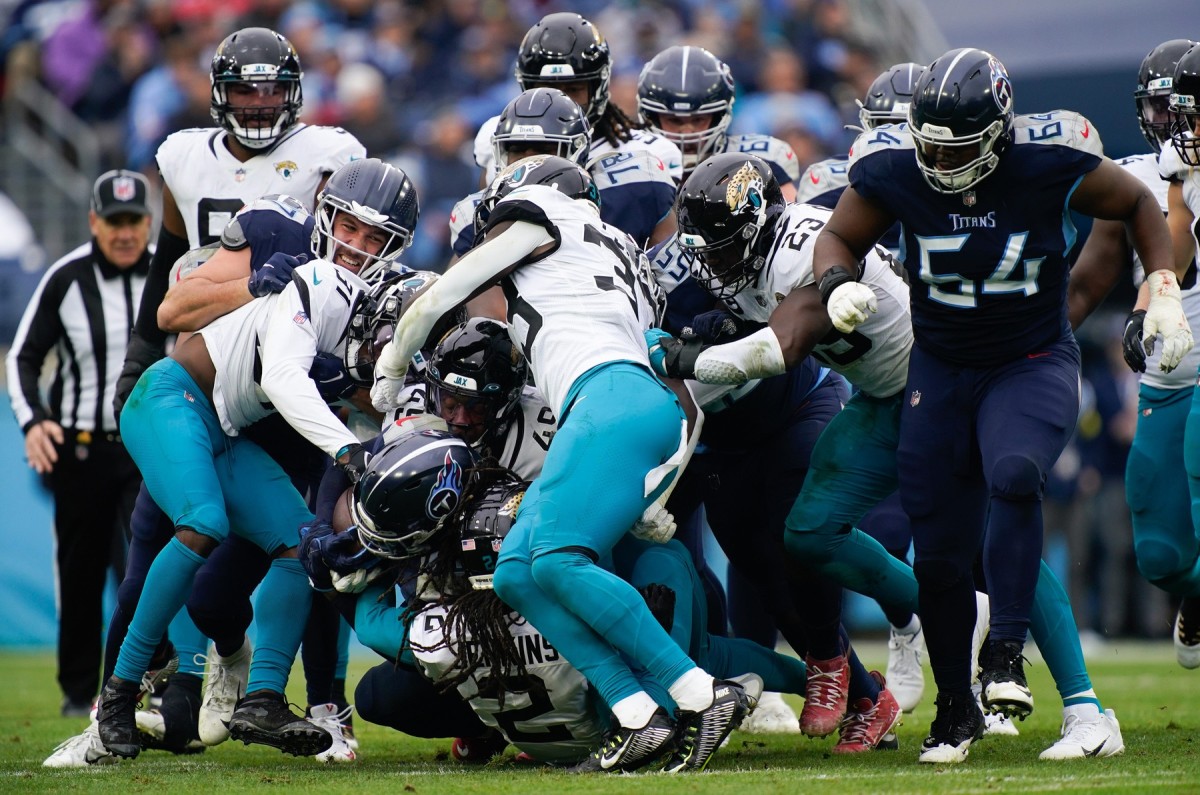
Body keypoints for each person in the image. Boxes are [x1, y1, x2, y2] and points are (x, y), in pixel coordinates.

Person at [648, 152, 1126, 762]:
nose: (711, 264)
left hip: (949, 386)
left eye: (720, 247)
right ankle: (945, 612)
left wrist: (676, 358)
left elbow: (778, 349)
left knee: (996, 540)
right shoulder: (748, 261)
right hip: (884, 398)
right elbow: (731, 370)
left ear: (755, 224)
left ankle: (1086, 707)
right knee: (810, 531)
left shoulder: (799, 249)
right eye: (703, 250)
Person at [809, 47, 1186, 760]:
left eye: (957, 147)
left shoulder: (1048, 161)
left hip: (1029, 360)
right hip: (941, 368)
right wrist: (835, 282)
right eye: (930, 146)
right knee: (939, 554)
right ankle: (956, 709)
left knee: (1015, 472)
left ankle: (1006, 651)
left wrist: (1161, 282)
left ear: (998, 132)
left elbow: (1139, 202)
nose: (939, 162)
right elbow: (839, 236)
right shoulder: (894, 171)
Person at [371, 155, 753, 773]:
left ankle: (701, 694)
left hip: (606, 398)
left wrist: (392, 367)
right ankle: (637, 715)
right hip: (626, 404)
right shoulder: (623, 253)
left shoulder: (543, 214)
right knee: (518, 574)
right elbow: (666, 377)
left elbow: (441, 296)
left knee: (555, 559)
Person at [92, 197, 406, 761]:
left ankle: (262, 698)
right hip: (171, 396)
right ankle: (118, 693)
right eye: (351, 230)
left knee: (301, 544)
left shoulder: (362, 307)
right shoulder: (320, 282)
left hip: (226, 427)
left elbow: (378, 397)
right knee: (202, 523)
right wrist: (348, 450)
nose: (358, 248)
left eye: (374, 240)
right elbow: (284, 377)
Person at [114, 26, 365, 420]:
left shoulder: (326, 156)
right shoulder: (185, 157)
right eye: (245, 90)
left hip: (287, 350)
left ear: (293, 93)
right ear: (220, 93)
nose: (260, 103)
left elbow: (349, 265)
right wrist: (141, 353)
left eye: (272, 90)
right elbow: (168, 260)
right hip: (202, 344)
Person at [1067, 39, 1200, 669]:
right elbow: (1161, 256)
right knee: (1160, 556)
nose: (1174, 125)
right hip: (1166, 380)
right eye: (1163, 110)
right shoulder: (1147, 175)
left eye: (1185, 112)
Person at [7, 170, 152, 719]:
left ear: (148, 223)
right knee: (80, 571)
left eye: (133, 221)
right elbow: (23, 357)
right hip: (80, 450)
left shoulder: (169, 274)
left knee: (143, 569)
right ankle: (76, 693)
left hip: (145, 451)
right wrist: (33, 422)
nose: (124, 232)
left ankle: (147, 684)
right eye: (114, 222)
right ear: (94, 221)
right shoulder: (65, 278)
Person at [471, 12, 683, 248]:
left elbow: (667, 258)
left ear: (598, 87)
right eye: (546, 88)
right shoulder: (499, 135)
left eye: (572, 89)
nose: (559, 101)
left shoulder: (647, 154)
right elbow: (484, 232)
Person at [636, 44, 801, 198]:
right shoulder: (632, 165)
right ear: (651, 117)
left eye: (698, 119)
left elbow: (791, 216)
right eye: (674, 120)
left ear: (718, 116)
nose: (687, 132)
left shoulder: (759, 161)